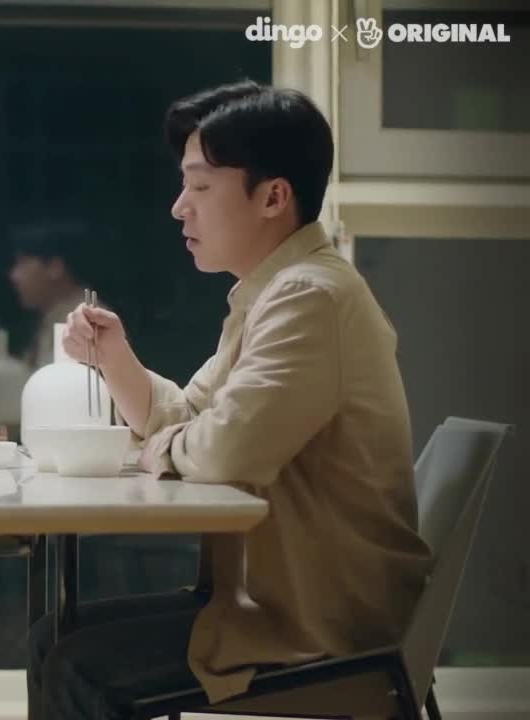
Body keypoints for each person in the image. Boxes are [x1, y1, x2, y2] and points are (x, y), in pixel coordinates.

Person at [27, 80, 433, 719]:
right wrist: (116, 360)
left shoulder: (310, 297)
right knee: (52, 638)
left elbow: (226, 450)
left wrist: (160, 449)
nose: (178, 207)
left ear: (273, 196)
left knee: (72, 665)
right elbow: (192, 421)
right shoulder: (273, 292)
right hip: (275, 599)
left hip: (317, 625)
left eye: (200, 186)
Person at [7, 219, 94, 369]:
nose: (14, 276)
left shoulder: (86, 319)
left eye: (23, 262)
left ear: (55, 267)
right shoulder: (52, 315)